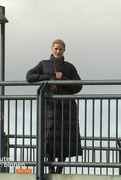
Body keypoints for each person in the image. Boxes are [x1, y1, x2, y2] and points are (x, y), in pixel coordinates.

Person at [26, 39, 83, 174]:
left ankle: (59, 170)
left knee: (66, 137)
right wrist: (50, 77)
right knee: (49, 136)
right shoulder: (43, 64)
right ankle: (51, 168)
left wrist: (62, 79)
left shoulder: (69, 67)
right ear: (51, 49)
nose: (58, 51)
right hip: (50, 107)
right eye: (56, 49)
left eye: (60, 49)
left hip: (67, 107)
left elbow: (78, 85)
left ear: (64, 50)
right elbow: (29, 76)